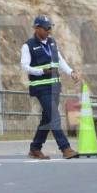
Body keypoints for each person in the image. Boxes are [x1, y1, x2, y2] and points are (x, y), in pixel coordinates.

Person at [21, 15, 79, 159]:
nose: (49, 30)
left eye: (50, 27)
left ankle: (35, 148)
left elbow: (59, 60)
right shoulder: (28, 46)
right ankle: (65, 149)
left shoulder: (52, 43)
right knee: (54, 117)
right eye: (46, 28)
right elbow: (24, 66)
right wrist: (41, 71)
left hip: (54, 86)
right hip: (41, 88)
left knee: (47, 119)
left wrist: (71, 72)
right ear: (37, 28)